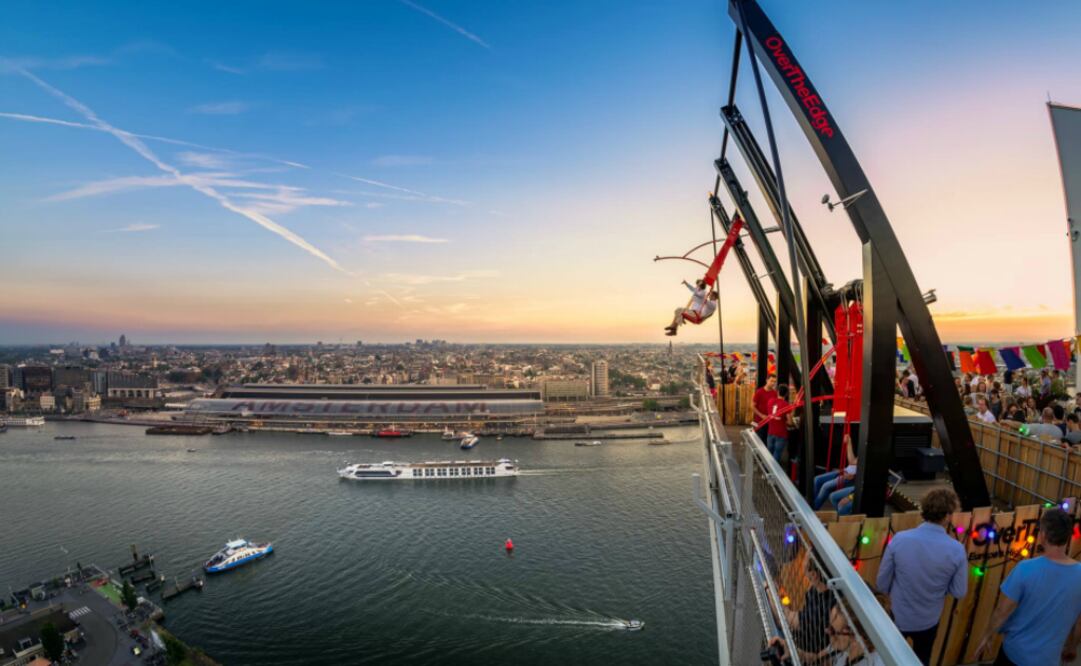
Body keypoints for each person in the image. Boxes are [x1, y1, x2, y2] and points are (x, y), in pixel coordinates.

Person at [974, 508, 1081, 666]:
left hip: (1015, 654)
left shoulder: (1025, 569)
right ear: (1067, 537)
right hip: (1048, 660)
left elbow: (1002, 611)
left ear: (1043, 535)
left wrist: (988, 635)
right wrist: (1072, 646)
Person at [876, 488, 967, 665]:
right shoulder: (956, 550)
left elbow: (882, 583)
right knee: (921, 660)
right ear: (948, 516)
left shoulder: (900, 539)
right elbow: (959, 592)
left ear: (924, 511)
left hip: (897, 615)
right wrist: (939, 586)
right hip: (928, 620)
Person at [784, 557, 836, 662]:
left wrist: (768, 589)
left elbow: (788, 619)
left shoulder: (827, 604)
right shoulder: (813, 591)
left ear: (813, 574)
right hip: (798, 643)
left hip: (806, 656)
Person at [813, 433, 857, 511]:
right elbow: (852, 461)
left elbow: (852, 461)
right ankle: (813, 504)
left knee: (825, 486)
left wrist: (849, 442)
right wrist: (848, 442)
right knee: (817, 479)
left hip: (849, 477)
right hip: (845, 471)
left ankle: (814, 509)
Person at [766, 384, 792, 463]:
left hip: (770, 432)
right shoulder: (786, 405)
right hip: (781, 434)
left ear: (777, 392)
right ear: (787, 394)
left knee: (769, 453)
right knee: (777, 453)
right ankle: (773, 472)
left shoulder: (770, 401)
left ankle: (767, 469)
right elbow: (790, 422)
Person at [753, 374, 778, 442]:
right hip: (759, 422)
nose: (773, 383)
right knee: (759, 442)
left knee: (767, 442)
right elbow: (752, 406)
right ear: (767, 380)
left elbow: (775, 407)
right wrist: (761, 415)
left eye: (774, 381)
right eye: (771, 381)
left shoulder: (774, 393)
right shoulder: (759, 392)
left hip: (770, 422)